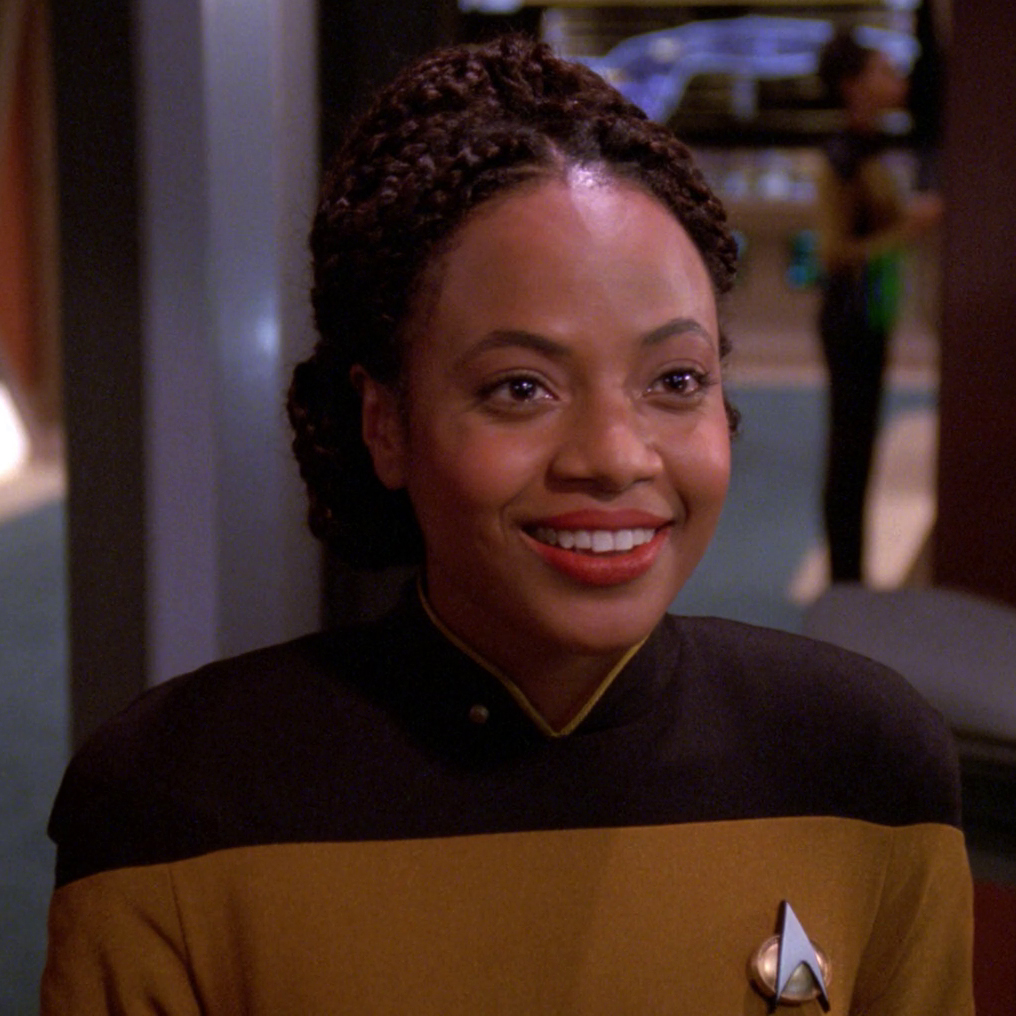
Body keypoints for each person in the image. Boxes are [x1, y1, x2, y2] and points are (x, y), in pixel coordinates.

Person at [42, 35, 972, 1014]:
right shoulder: (174, 807)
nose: (614, 456)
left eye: (674, 379)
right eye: (520, 387)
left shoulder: (863, 766)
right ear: (385, 425)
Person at [815, 30, 943, 583]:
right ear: (853, 86)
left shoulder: (872, 149)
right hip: (849, 318)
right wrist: (908, 229)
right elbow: (833, 252)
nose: (898, 82)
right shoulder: (841, 158)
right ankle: (845, 575)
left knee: (862, 447)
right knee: (849, 449)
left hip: (872, 314)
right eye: (883, 72)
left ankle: (853, 573)